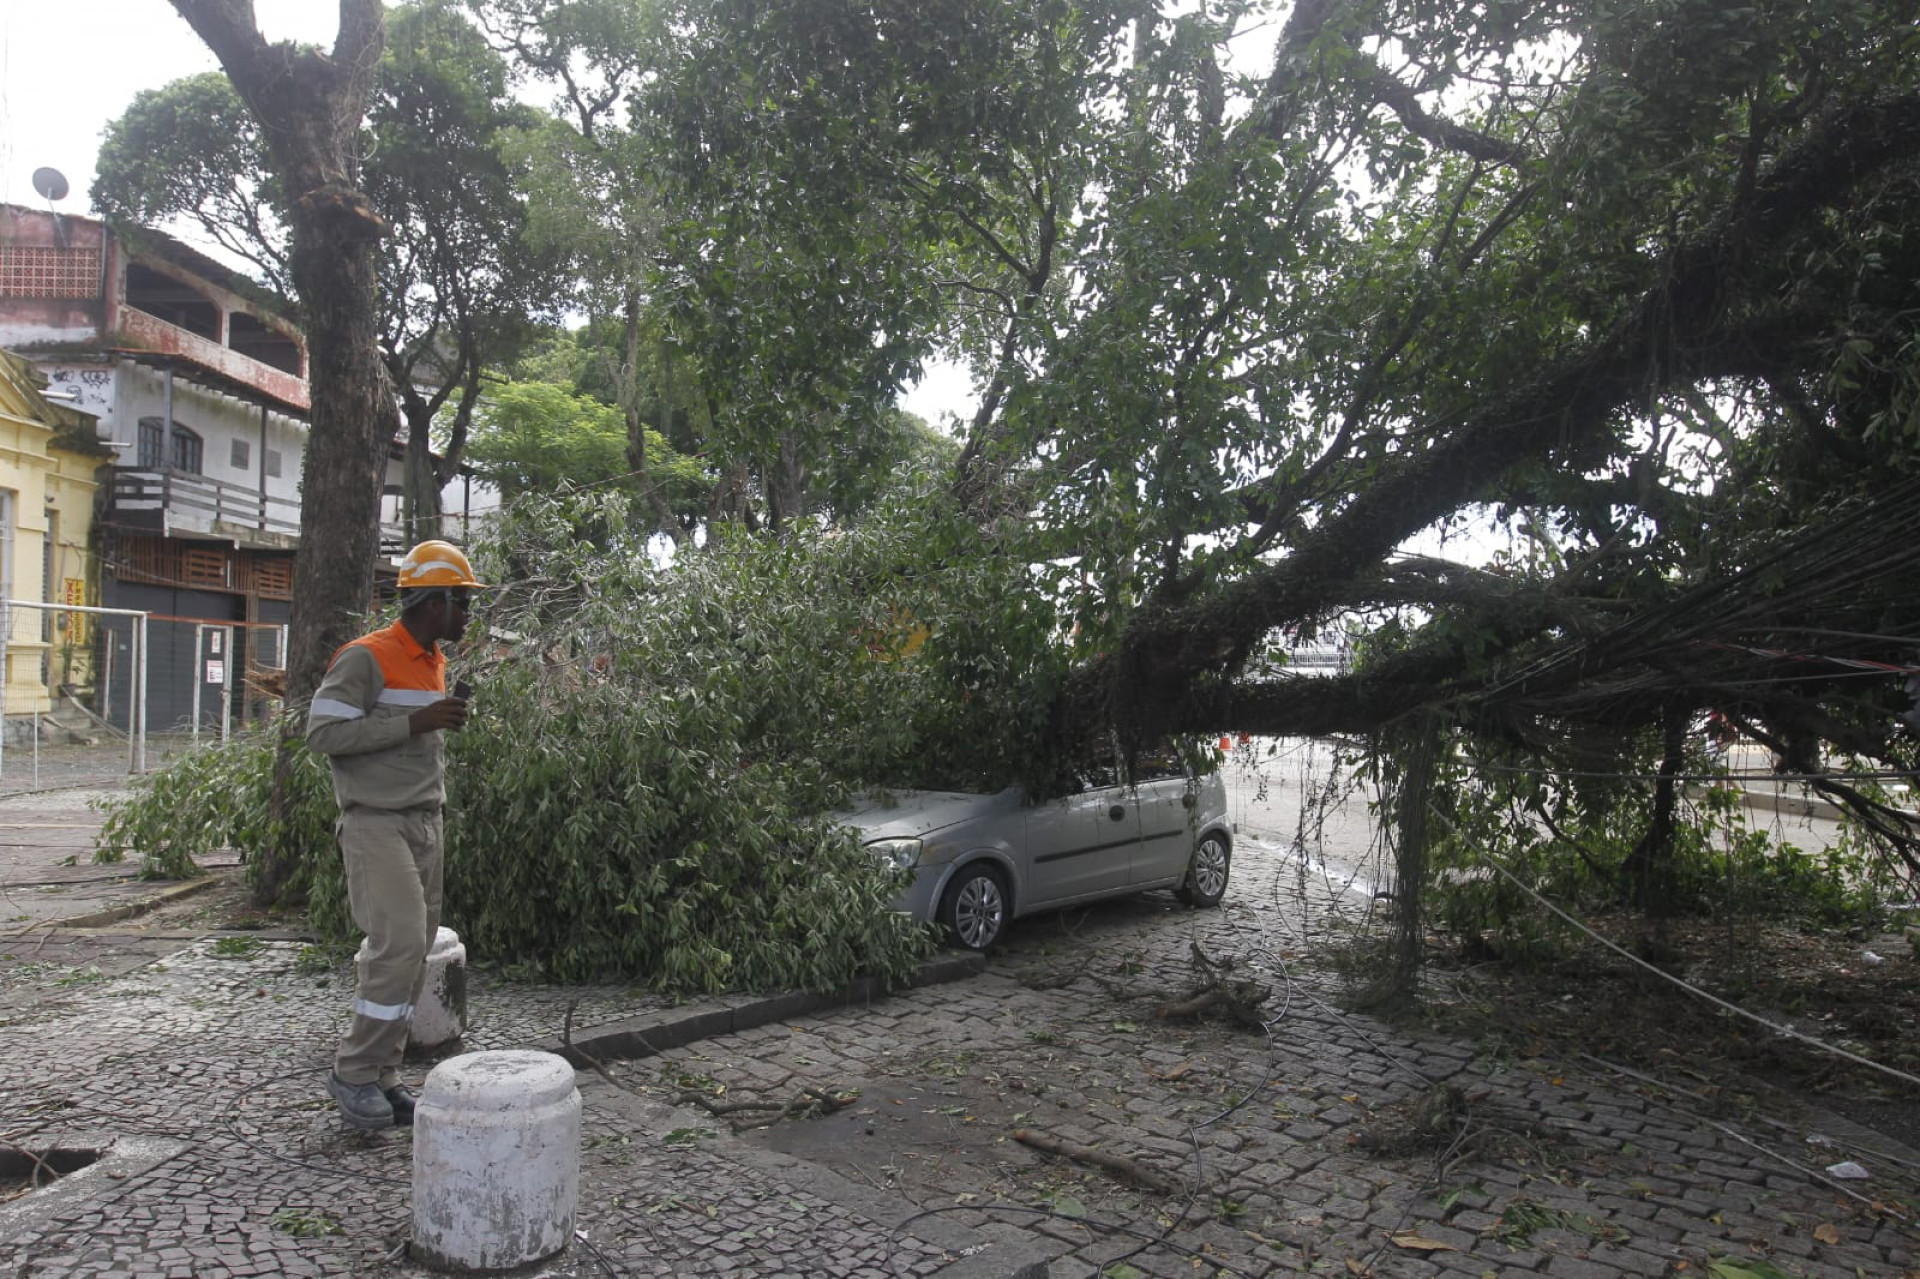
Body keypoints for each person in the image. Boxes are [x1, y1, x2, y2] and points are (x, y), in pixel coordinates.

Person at [307, 539, 483, 1130]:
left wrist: (431, 722)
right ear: (432, 602)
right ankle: (353, 1072)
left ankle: (385, 1076)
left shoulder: (433, 658)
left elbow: (403, 735)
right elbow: (324, 735)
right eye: (462, 603)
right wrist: (416, 722)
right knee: (399, 944)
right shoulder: (367, 657)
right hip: (375, 822)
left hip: (423, 821)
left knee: (416, 953)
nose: (467, 615)